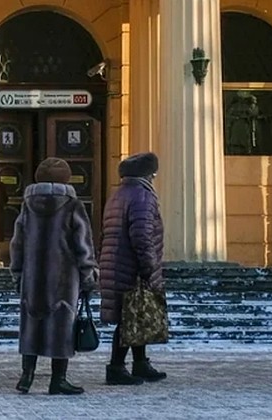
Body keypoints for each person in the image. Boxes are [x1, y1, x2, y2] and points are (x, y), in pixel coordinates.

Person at [9, 158, 98, 396]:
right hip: (63, 278)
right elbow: (83, 244)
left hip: (33, 277)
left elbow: (17, 243)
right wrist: (88, 274)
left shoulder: (27, 205)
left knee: (31, 323)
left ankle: (27, 376)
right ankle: (58, 380)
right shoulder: (73, 205)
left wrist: (17, 273)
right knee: (62, 326)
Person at [99, 151, 167, 386]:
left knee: (135, 315)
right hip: (132, 267)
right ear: (149, 175)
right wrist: (149, 268)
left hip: (116, 263)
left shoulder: (119, 194)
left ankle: (140, 363)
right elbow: (142, 235)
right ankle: (116, 367)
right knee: (129, 318)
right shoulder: (142, 197)